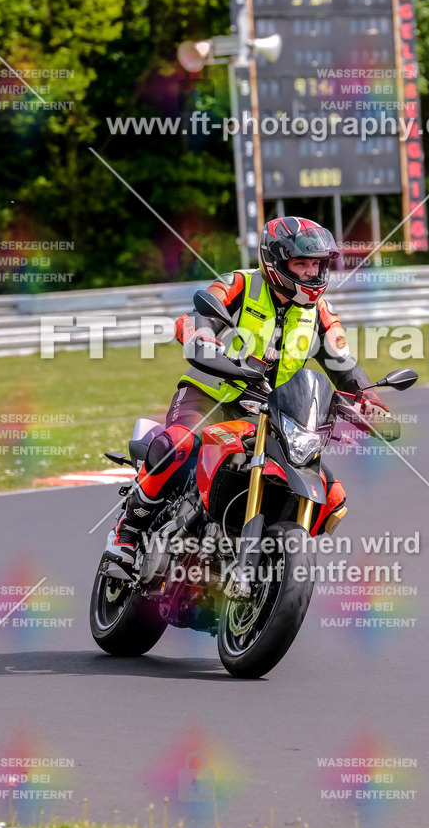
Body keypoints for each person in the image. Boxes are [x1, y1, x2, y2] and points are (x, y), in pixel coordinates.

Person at [105, 216, 389, 566]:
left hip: (271, 412)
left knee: (332, 495)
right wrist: (201, 337)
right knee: (177, 443)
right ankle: (128, 529)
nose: (311, 273)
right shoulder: (239, 284)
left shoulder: (321, 314)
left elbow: (343, 364)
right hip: (212, 394)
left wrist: (368, 399)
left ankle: (267, 551)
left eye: (317, 263)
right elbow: (196, 316)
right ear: (275, 261)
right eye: (301, 263)